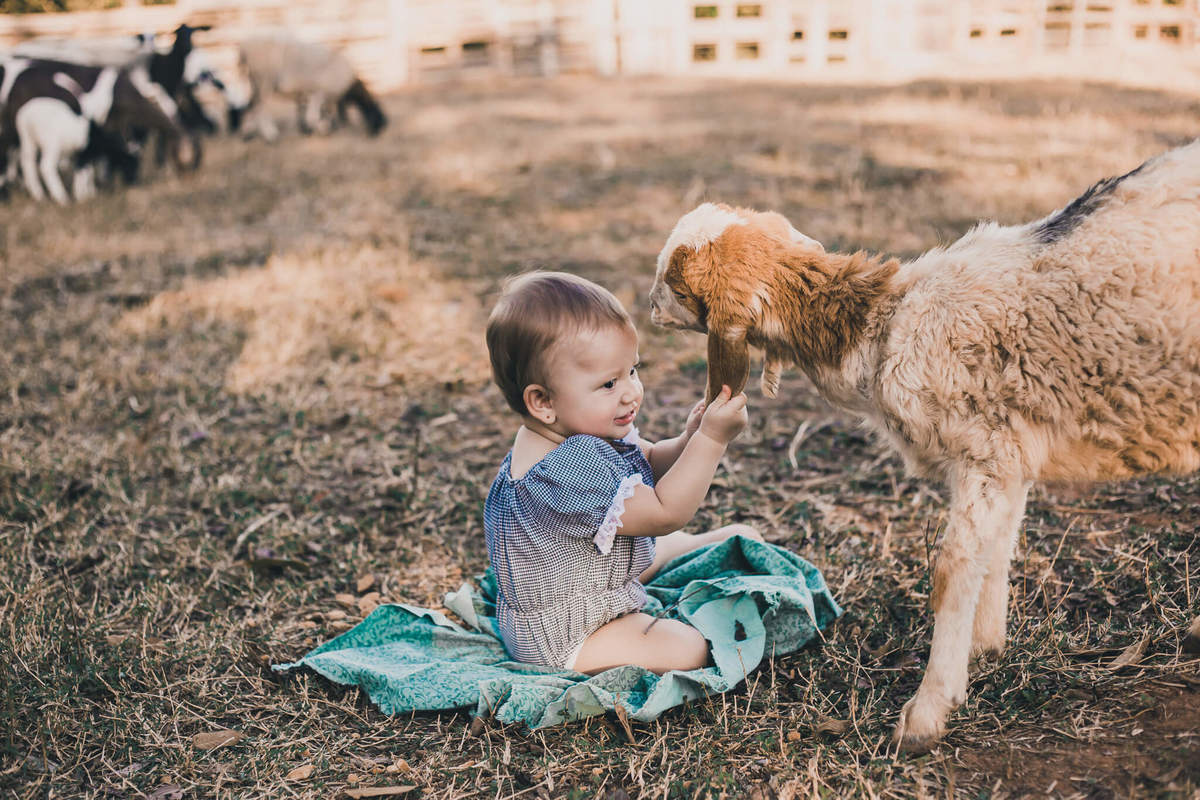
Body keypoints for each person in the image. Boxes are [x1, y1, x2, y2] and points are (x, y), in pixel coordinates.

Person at [483, 271, 763, 675]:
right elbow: (664, 512)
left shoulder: (571, 431)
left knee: (641, 542)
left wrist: (690, 438)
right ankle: (637, 622)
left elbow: (649, 463)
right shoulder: (562, 471)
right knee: (688, 648)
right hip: (569, 635)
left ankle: (681, 552)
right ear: (542, 401)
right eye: (609, 384)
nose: (631, 391)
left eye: (632, 370)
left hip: (586, 575)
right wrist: (711, 441)